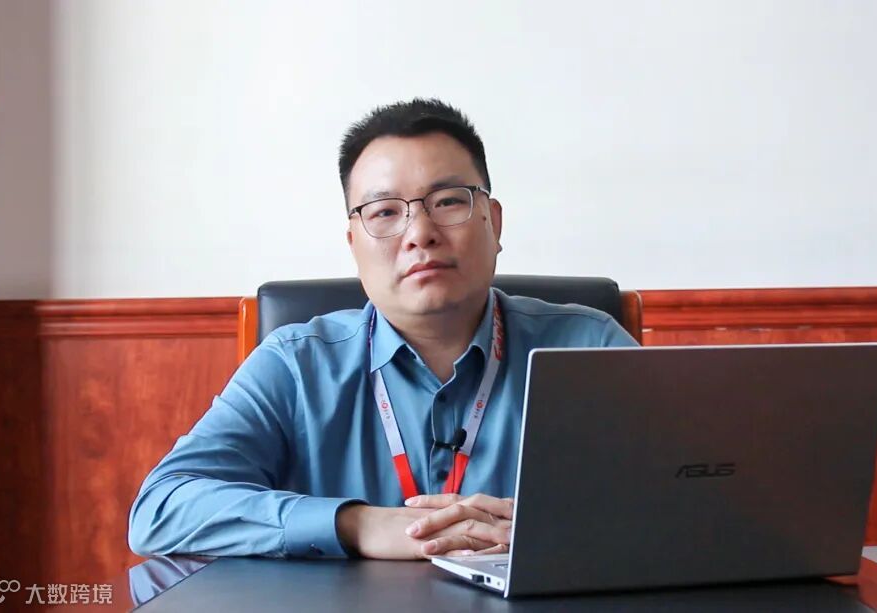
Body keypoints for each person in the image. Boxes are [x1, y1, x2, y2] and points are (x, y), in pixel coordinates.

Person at [128, 98, 638, 561]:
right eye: (385, 212)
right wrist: (355, 524)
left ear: (494, 221)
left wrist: (559, 532)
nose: (420, 234)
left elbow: (677, 503)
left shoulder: (590, 347)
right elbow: (160, 509)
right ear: (354, 245)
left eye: (449, 201)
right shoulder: (296, 365)